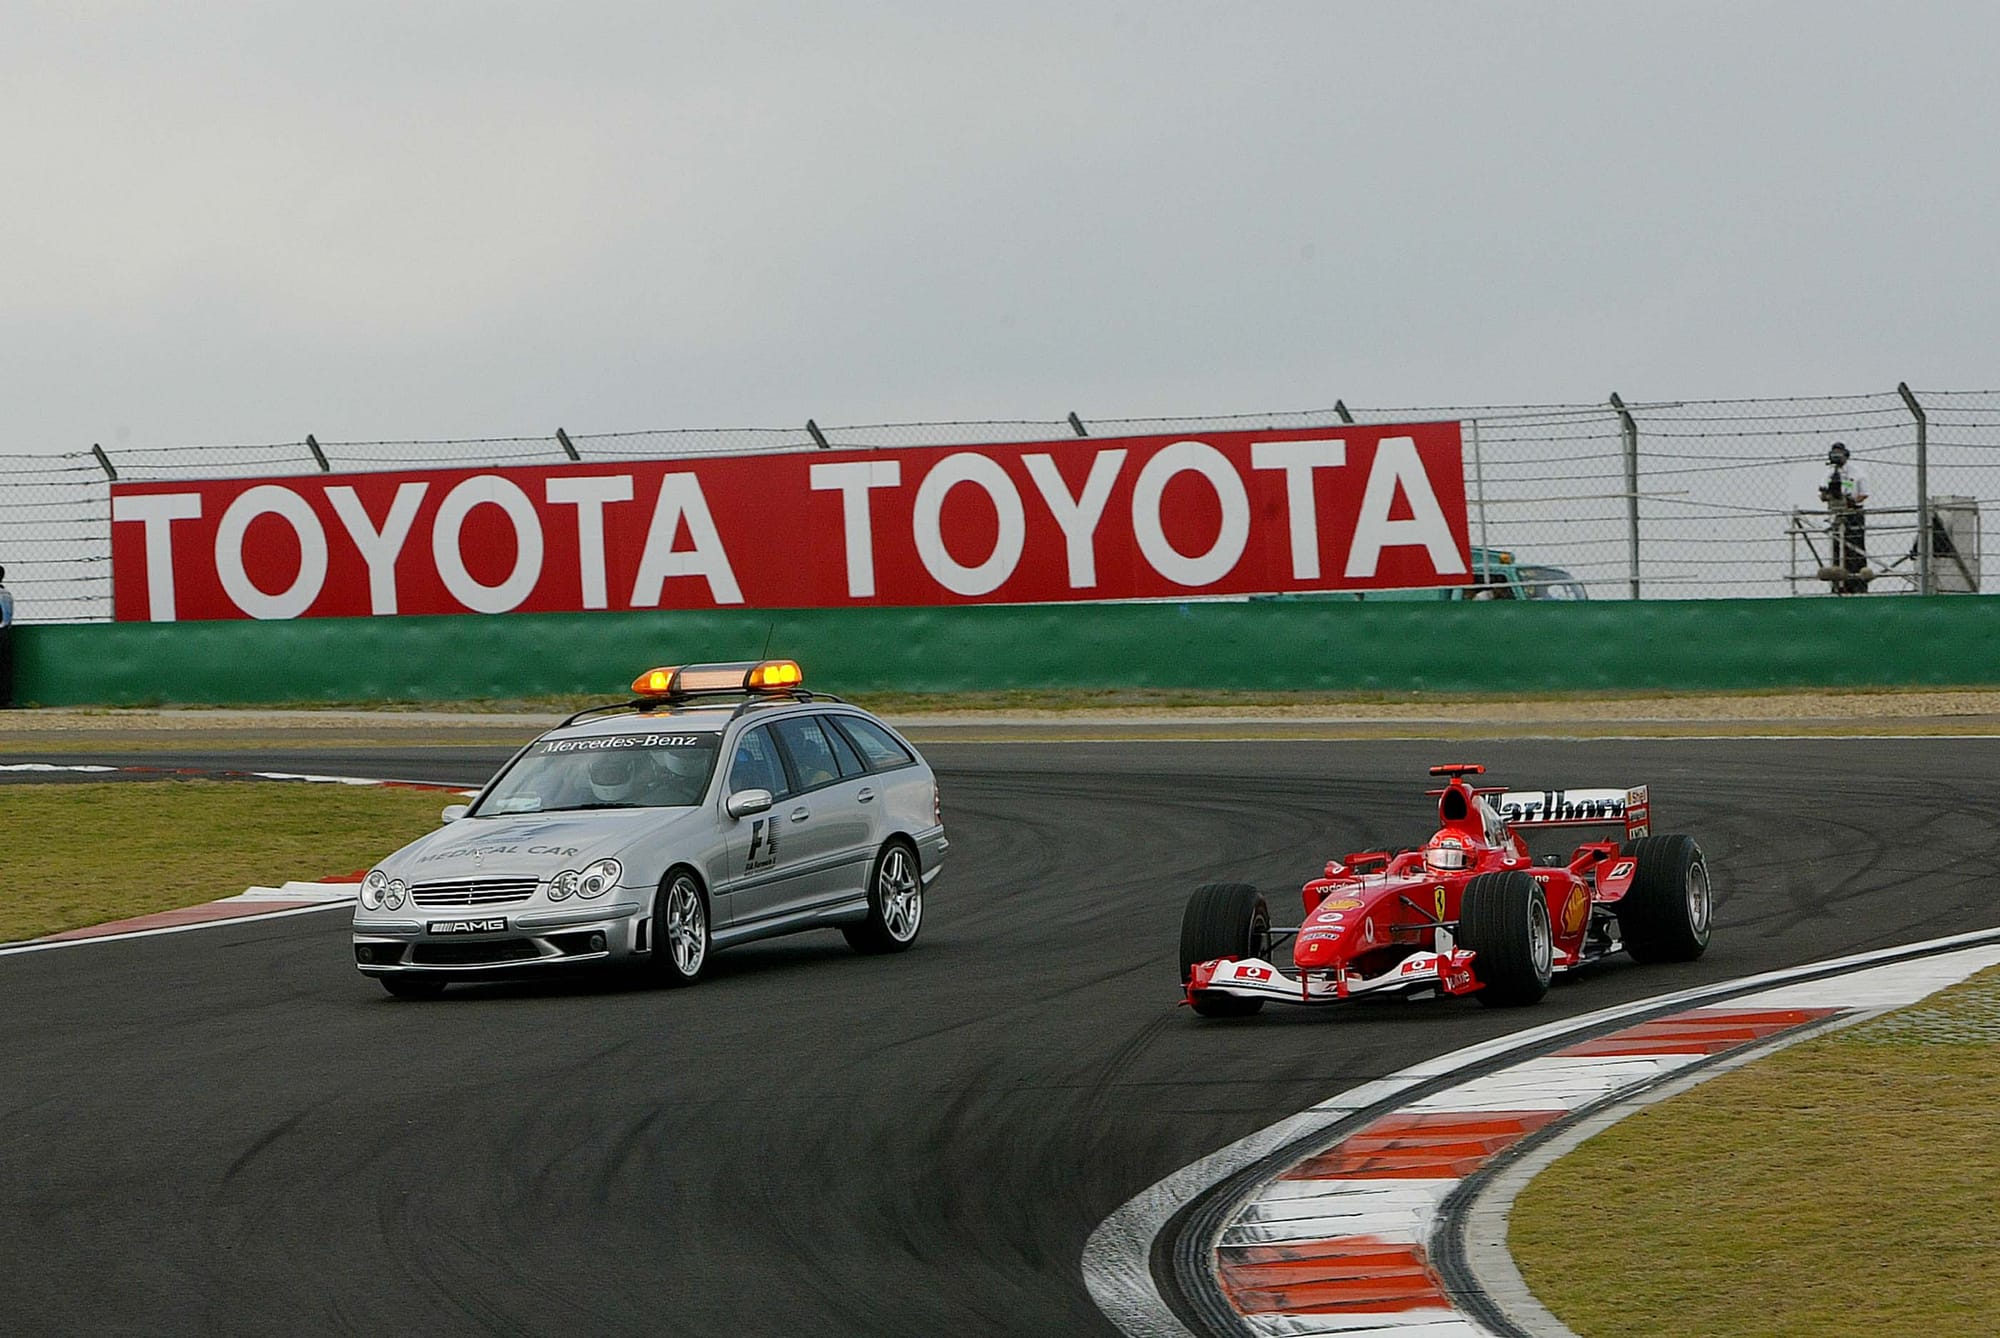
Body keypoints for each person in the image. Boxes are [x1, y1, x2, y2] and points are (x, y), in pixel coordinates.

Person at [1816, 442, 1870, 594]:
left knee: (1855, 549)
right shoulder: (1828, 474)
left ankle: (1858, 584)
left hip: (1853, 514)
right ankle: (1839, 584)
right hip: (1836, 513)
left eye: (1839, 453)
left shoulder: (1857, 473)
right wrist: (1828, 495)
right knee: (1837, 548)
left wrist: (1851, 501)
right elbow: (1822, 494)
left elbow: (1864, 494)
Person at [0, 565, 14, 708]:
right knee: (5, 667)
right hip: (4, 633)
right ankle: (5, 699)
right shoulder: (6, 594)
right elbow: (8, 617)